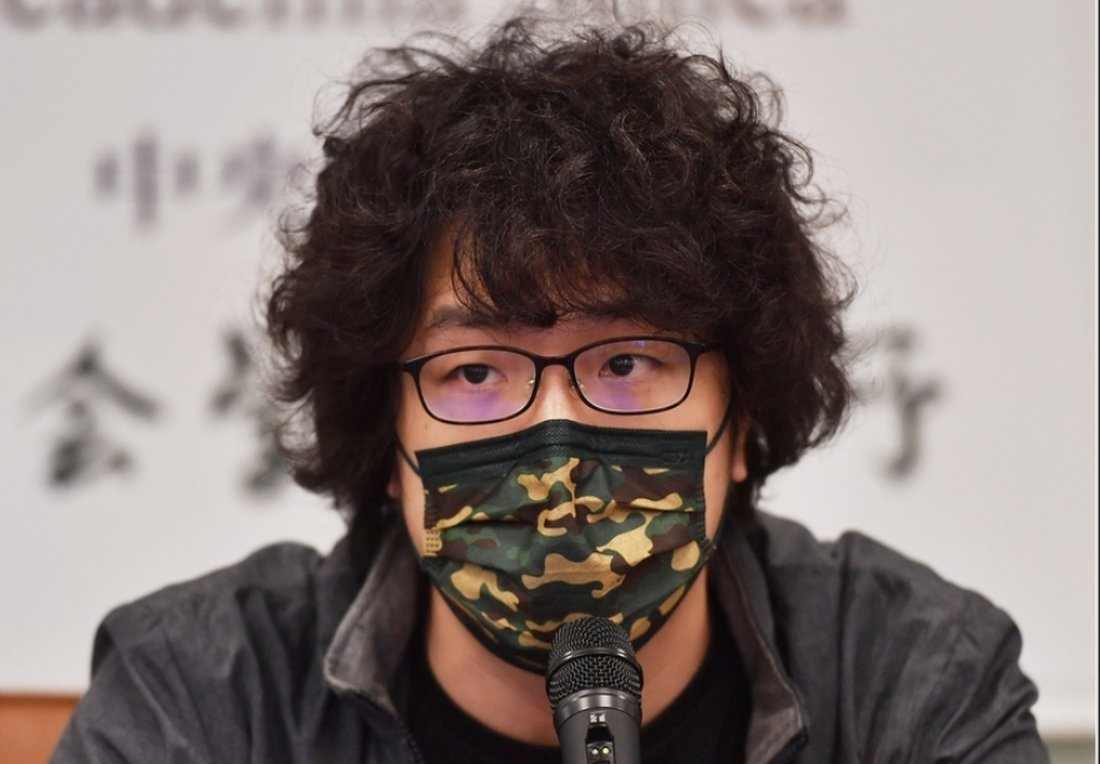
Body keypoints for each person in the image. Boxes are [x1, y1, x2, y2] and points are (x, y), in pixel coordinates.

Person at [53, 16, 1048, 763]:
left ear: (740, 414)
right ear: (386, 439)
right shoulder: (203, 697)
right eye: (475, 371)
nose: (557, 433)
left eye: (625, 362)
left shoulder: (911, 682)